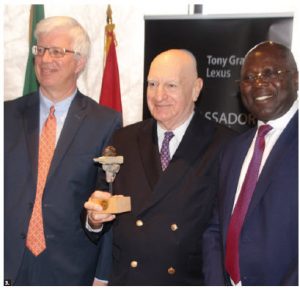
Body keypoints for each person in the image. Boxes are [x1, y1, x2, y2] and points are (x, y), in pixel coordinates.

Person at [84, 49, 236, 285]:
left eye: (171, 86)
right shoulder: (123, 140)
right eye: (152, 84)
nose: (158, 95)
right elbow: (100, 199)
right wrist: (93, 219)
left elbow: (227, 230)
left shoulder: (225, 145)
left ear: (196, 88)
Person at [4, 16, 121, 285]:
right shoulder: (7, 116)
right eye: (41, 50)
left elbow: (106, 198)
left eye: (57, 52)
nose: (45, 60)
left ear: (79, 62)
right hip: (9, 262)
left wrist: (102, 275)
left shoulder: (104, 122)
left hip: (70, 267)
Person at [202, 41, 298, 286]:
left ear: (296, 79)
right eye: (248, 77)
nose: (258, 83)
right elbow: (215, 228)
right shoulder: (233, 150)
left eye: (270, 73)